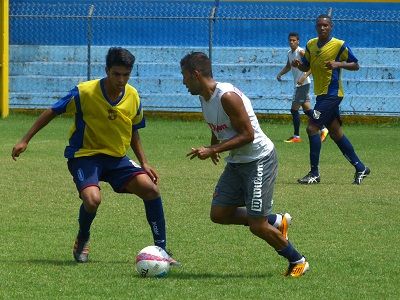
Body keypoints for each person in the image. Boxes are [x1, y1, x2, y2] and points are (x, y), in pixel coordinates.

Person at [11, 47, 179, 265]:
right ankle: (83, 236)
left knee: (151, 189)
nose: (121, 80)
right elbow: (52, 110)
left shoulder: (133, 96)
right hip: (85, 156)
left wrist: (144, 162)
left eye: (126, 75)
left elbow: (133, 129)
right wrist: (25, 139)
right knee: (92, 200)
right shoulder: (84, 92)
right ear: (106, 70)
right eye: (116, 74)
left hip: (117, 159)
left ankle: (162, 251)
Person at [180, 51, 309, 277]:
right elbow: (217, 126)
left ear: (195, 74)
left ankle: (297, 260)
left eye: (184, 76)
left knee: (257, 226)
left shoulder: (227, 96)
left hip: (259, 159)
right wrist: (213, 146)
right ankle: (276, 221)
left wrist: (213, 149)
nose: (183, 82)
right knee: (219, 213)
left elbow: (247, 135)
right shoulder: (204, 96)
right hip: (238, 161)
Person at [292, 15, 370, 185]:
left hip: (333, 94)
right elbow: (307, 65)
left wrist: (338, 64)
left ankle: (314, 173)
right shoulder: (311, 44)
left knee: (312, 128)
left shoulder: (339, 44)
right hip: (321, 94)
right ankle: (361, 167)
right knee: (335, 133)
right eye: (320, 25)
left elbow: (355, 65)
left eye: (326, 25)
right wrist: (299, 65)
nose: (322, 28)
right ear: (316, 27)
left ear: (331, 27)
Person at [276, 32, 329, 143]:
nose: (291, 42)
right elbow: (288, 66)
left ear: (298, 41)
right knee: (308, 110)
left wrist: (304, 76)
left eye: (294, 40)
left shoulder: (301, 52)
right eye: (290, 40)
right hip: (298, 85)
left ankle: (296, 137)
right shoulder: (290, 53)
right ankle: (323, 128)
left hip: (303, 84)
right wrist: (280, 73)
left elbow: (312, 65)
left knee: (294, 110)